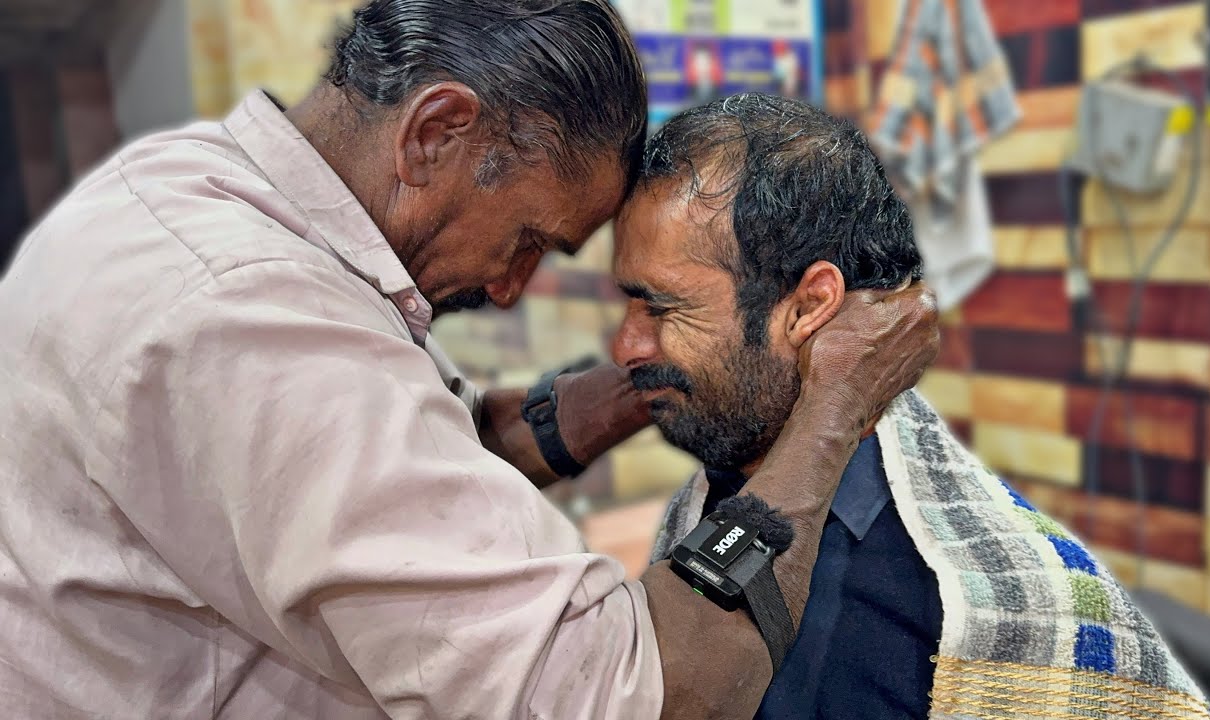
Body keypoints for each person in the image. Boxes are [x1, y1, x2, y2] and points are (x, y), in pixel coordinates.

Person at [0, 2, 941, 718]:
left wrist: (654, 381)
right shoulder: (257, 321)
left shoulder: (173, 187)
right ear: (436, 131)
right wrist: (830, 409)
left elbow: (429, 450)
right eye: (529, 239)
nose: (508, 288)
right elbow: (631, 695)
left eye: (662, 305)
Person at [612, 94, 1210, 720]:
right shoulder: (705, 507)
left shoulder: (1011, 605)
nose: (625, 346)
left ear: (810, 305)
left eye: (661, 308)